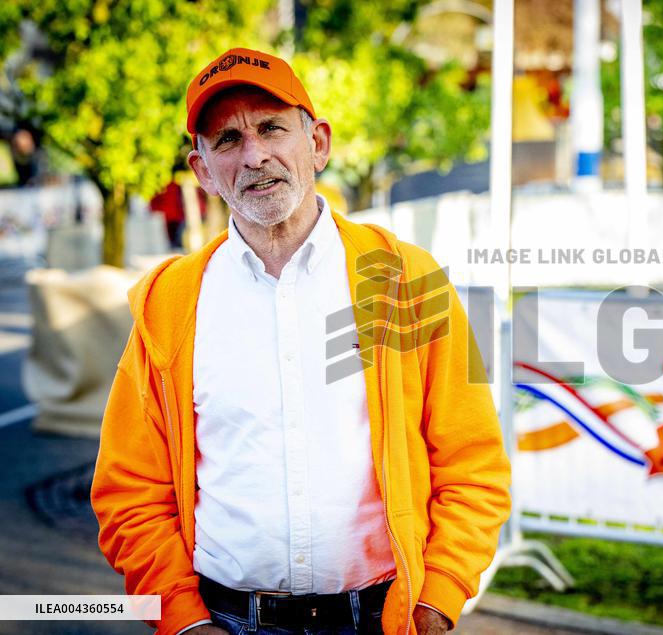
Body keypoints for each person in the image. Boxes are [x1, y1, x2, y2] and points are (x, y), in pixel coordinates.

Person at [91, 47, 512, 635]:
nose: (255, 155)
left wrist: (437, 602)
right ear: (203, 170)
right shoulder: (170, 304)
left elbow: (472, 463)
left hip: (381, 618)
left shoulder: (407, 279)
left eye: (271, 128)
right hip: (224, 621)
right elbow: (129, 491)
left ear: (317, 142)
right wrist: (183, 621)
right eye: (227, 140)